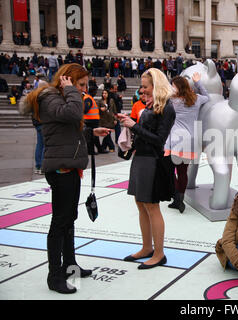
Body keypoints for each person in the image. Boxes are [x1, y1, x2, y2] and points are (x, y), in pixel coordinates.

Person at [22, 63, 111, 294]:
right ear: (66, 80)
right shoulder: (50, 99)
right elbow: (73, 115)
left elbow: (67, 131)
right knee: (60, 222)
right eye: (80, 85)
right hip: (60, 168)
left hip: (69, 166)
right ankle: (54, 275)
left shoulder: (60, 100)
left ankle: (70, 265)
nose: (84, 90)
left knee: (69, 218)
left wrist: (92, 132)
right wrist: (72, 91)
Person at [118, 68, 176, 269]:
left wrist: (134, 125)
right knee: (140, 203)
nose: (141, 91)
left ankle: (159, 253)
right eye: (141, 88)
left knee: (151, 206)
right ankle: (146, 248)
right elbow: (143, 134)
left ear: (156, 86)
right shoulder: (150, 106)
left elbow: (159, 140)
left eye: (144, 87)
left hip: (153, 161)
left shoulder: (167, 108)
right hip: (141, 158)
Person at [166, 73, 209, 213]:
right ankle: (180, 199)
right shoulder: (196, 99)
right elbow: (207, 96)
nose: (171, 89)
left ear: (178, 87)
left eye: (173, 86)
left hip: (176, 139)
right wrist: (198, 82)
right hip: (191, 140)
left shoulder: (173, 101)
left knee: (169, 169)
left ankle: (176, 198)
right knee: (183, 171)